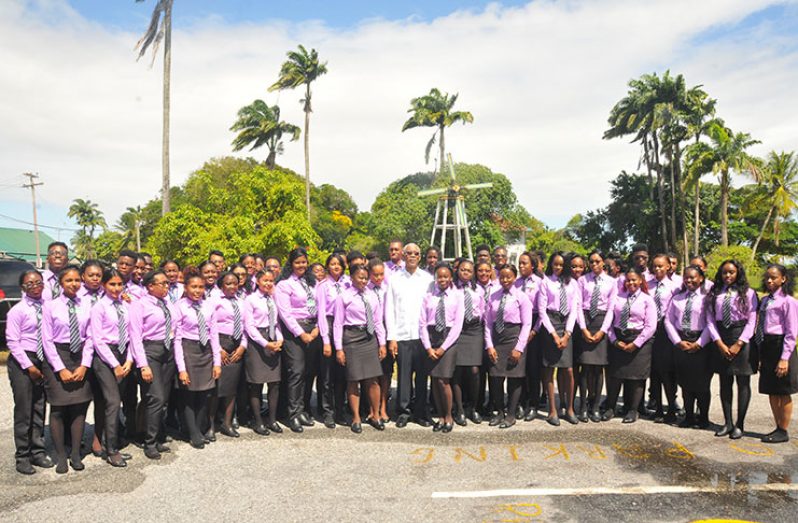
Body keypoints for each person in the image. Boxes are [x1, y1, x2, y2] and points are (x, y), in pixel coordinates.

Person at [41, 265, 94, 473]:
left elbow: (91, 337)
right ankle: (61, 455)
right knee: (58, 408)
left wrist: (84, 364)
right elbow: (46, 340)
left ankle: (75, 454)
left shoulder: (87, 304)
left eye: (76, 281)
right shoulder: (50, 306)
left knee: (80, 407)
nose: (73, 284)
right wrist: (60, 368)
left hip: (80, 356)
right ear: (61, 284)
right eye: (68, 281)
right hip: (58, 356)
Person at [5, 270, 54, 474]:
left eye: (38, 282)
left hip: (43, 360)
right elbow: (12, 342)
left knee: (39, 407)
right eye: (29, 284)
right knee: (24, 410)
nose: (35, 286)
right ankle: (22, 456)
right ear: (22, 287)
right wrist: (29, 366)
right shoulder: (17, 310)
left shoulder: (48, 306)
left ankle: (38, 451)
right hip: (23, 361)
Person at [706, 260, 758, 439]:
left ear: (738, 273)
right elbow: (710, 320)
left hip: (741, 337)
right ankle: (727, 422)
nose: (727, 276)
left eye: (731, 272)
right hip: (721, 337)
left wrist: (740, 343)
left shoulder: (749, 293)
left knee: (743, 383)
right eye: (724, 273)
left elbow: (752, 320)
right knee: (724, 382)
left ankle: (739, 424)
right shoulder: (715, 293)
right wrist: (719, 342)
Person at [385, 243, 435, 428]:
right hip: (403, 334)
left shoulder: (428, 279)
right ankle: (404, 412)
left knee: (422, 377)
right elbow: (389, 309)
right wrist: (392, 337)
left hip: (423, 337)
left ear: (420, 257)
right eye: (409, 253)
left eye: (416, 253)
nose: (412, 256)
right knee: (404, 376)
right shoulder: (394, 279)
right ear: (403, 256)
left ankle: (421, 411)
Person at [129, 269, 176, 460]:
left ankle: (157, 438)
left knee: (163, 398)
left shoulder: (167, 303)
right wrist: (143, 364)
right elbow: (135, 336)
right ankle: (149, 441)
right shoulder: (139, 305)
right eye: (162, 283)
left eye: (167, 283)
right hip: (150, 352)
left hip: (168, 351)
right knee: (154, 397)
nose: (167, 286)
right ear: (150, 286)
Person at [334, 264, 387, 433]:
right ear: (352, 278)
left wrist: (382, 343)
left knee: (373, 379)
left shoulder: (372, 295)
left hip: (369, 338)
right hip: (351, 338)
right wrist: (339, 348)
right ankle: (356, 417)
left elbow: (378, 321)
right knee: (354, 379)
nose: (363, 280)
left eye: (366, 277)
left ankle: (375, 415)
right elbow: (338, 324)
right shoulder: (344, 297)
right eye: (360, 277)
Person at [89, 268, 135, 467]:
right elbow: (97, 340)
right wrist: (115, 364)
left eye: (119, 284)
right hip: (106, 358)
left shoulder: (126, 305)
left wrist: (130, 360)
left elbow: (134, 333)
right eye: (112, 284)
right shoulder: (99, 307)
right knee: (113, 402)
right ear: (103, 285)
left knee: (116, 403)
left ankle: (111, 441)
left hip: (124, 354)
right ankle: (111, 449)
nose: (116, 288)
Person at [274, 247, 322, 433]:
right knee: (296, 372)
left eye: (304, 262)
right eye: (297, 262)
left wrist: (318, 327)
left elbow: (320, 305)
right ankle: (292, 414)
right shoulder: (285, 285)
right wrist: (301, 333)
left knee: (307, 372)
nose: (302, 265)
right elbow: (285, 313)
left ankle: (301, 409)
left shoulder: (312, 282)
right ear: (291, 264)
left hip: (313, 328)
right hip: (294, 331)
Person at [602, 267, 657, 424]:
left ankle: (633, 410)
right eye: (628, 280)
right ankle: (610, 407)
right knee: (615, 376)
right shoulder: (618, 298)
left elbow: (651, 326)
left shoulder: (647, 300)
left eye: (634, 280)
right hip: (619, 338)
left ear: (640, 281)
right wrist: (614, 340)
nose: (631, 283)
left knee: (637, 377)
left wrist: (636, 343)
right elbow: (610, 322)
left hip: (639, 340)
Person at [174, 271, 222, 449]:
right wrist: (182, 368)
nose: (197, 290)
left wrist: (217, 362)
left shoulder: (208, 306)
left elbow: (214, 334)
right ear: (186, 288)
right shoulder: (179, 306)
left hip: (206, 351)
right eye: (193, 286)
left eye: (201, 287)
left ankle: (197, 428)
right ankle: (193, 432)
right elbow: (177, 339)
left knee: (204, 393)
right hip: (188, 350)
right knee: (189, 394)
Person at [484, 264, 532, 429]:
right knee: (496, 378)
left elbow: (526, 324)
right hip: (497, 339)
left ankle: (511, 415)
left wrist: (519, 348)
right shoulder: (493, 296)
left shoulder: (521, 297)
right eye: (502, 277)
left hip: (514, 338)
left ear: (514, 277)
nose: (505, 280)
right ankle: (499, 412)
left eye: (508, 277)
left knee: (514, 379)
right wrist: (489, 345)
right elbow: (488, 324)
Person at [665, 265, 713, 429]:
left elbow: (710, 323)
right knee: (685, 382)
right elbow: (668, 321)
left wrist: (699, 343)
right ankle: (689, 416)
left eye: (693, 277)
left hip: (700, 342)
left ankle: (704, 417)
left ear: (701, 278)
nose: (689, 280)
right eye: (686, 277)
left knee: (701, 384)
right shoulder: (677, 298)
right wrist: (677, 341)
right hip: (681, 341)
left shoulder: (707, 298)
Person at [755, 264, 798, 443]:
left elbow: (791, 331)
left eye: (774, 277)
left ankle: (784, 429)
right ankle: (777, 426)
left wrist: (784, 358)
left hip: (781, 346)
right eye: (767, 278)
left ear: (783, 279)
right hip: (767, 346)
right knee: (772, 390)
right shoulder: (765, 300)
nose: (770, 280)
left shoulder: (789, 301)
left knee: (783, 391)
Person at [419, 263, 464, 432]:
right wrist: (428, 347)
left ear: (451, 277)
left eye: (446, 276)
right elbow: (422, 323)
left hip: (448, 340)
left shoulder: (457, 296)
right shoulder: (429, 296)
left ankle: (449, 416)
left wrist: (443, 348)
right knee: (435, 380)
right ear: (435, 278)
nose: (443, 279)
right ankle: (440, 416)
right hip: (431, 339)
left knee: (444, 380)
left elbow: (458, 326)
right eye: (439, 276)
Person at [538, 251, 580, 425]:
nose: (558, 267)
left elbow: (574, 309)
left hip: (567, 325)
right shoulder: (545, 282)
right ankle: (552, 410)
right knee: (549, 369)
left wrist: (567, 333)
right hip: (550, 324)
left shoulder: (573, 284)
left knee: (568, 370)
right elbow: (541, 310)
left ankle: (569, 409)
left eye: (562, 265)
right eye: (555, 264)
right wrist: (554, 334)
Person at [575, 249, 616, 422]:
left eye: (597, 261)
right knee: (585, 368)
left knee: (598, 369)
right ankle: (583, 406)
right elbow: (577, 305)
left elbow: (611, 308)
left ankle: (596, 406)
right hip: (585, 320)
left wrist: (603, 331)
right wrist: (583, 328)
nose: (594, 264)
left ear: (603, 263)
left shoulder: (611, 282)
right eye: (591, 262)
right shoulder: (583, 280)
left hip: (601, 322)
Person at [244, 269, 284, 435]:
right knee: (256, 384)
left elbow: (276, 323)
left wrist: (279, 339)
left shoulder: (272, 299)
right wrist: (265, 343)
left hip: (272, 338)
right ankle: (258, 421)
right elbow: (249, 326)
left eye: (270, 281)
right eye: (265, 280)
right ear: (257, 282)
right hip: (257, 342)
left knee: (274, 384)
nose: (268, 283)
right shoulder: (251, 299)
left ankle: (272, 420)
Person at [210, 272, 247, 438]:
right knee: (217, 389)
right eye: (228, 283)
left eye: (235, 283)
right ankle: (210, 426)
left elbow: (247, 325)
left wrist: (243, 346)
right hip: (221, 344)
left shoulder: (242, 301)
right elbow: (209, 326)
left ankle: (227, 423)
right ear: (221, 285)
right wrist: (218, 349)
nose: (232, 287)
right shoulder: (215, 301)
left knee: (231, 389)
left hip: (237, 344)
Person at [316, 253, 350, 428]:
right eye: (332, 264)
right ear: (328, 266)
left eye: (339, 264)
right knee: (327, 374)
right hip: (328, 327)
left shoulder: (348, 283)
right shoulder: (323, 286)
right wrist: (326, 340)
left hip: (345, 327)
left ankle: (340, 410)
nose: (336, 266)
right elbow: (321, 313)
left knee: (342, 374)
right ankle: (328, 411)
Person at [647, 254, 680, 423]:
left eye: (661, 266)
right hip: (650, 330)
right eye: (655, 266)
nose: (658, 269)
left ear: (668, 267)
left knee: (667, 372)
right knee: (655, 372)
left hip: (667, 330)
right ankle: (658, 408)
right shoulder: (647, 285)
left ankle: (671, 408)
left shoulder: (675, 287)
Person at [453, 260, 486, 425]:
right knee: (457, 370)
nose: (465, 272)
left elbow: (483, 311)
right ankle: (459, 410)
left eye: (468, 270)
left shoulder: (478, 289)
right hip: (458, 331)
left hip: (474, 331)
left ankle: (473, 408)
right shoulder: (452, 288)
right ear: (457, 270)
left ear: (473, 273)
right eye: (462, 270)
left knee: (474, 371)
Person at [515, 252, 542, 422]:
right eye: (519, 263)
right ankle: (519, 402)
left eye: (524, 263)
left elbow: (542, 311)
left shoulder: (540, 283)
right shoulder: (515, 283)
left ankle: (533, 405)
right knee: (520, 368)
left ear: (532, 265)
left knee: (533, 369)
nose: (521, 266)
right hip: (517, 325)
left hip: (534, 326)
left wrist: (535, 331)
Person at [366, 258, 391, 422]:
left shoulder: (388, 289)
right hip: (368, 334)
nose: (378, 278)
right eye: (375, 275)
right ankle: (371, 408)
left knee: (385, 373)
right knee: (370, 374)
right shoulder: (364, 290)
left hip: (386, 331)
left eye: (381, 274)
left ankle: (383, 407)